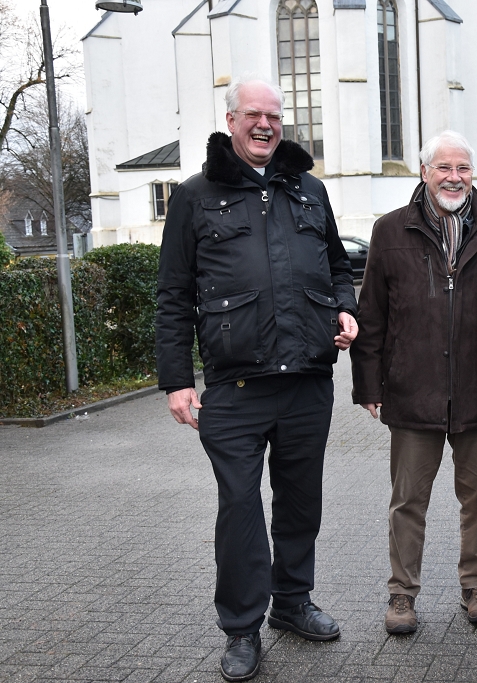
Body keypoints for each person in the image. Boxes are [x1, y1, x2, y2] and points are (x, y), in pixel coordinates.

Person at [156, 78, 358, 682]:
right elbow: (173, 295)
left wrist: (345, 309)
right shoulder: (195, 195)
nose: (265, 124)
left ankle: (292, 604)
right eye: (253, 115)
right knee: (240, 510)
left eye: (274, 115)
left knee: (300, 503)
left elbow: (338, 265)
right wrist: (176, 380)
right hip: (234, 389)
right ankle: (242, 627)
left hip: (306, 382)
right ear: (231, 119)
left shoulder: (309, 189)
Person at [350, 130, 477, 635]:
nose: (454, 177)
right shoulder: (389, 230)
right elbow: (371, 314)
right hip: (412, 389)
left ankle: (476, 586)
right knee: (408, 501)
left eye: (463, 168)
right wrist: (368, 386)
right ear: (424, 173)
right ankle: (402, 595)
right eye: (444, 168)